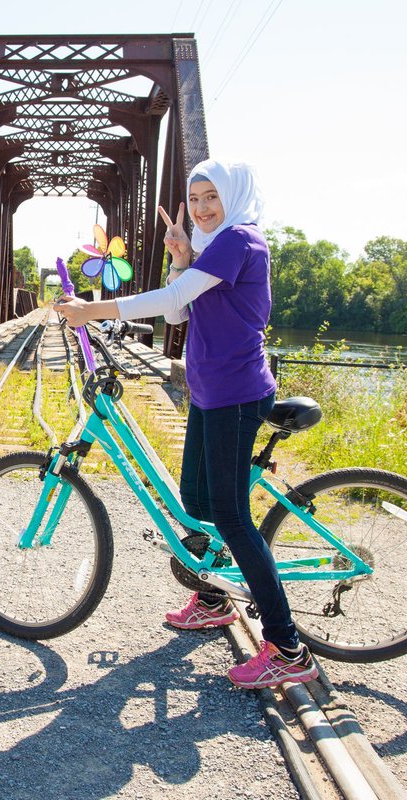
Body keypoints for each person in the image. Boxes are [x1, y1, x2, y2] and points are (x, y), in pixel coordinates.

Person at [54, 159, 317, 689]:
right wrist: (179, 258)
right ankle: (215, 597)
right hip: (211, 393)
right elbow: (178, 314)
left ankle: (288, 647)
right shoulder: (214, 246)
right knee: (196, 502)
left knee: (232, 517)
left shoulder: (240, 239)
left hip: (236, 396)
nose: (201, 208)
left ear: (233, 196)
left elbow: (171, 302)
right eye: (194, 198)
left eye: (211, 197)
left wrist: (93, 311)